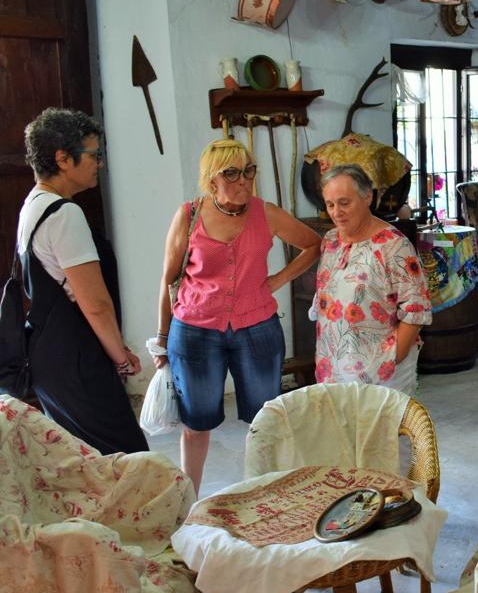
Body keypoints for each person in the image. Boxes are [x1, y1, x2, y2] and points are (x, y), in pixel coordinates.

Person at [154, 139, 321, 494]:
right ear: (211, 180)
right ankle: (189, 498)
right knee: (196, 422)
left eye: (249, 171)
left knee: (263, 420)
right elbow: (168, 280)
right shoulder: (189, 215)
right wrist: (162, 339)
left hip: (257, 329)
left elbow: (312, 243)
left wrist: (277, 279)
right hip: (195, 330)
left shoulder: (266, 213)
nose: (244, 180)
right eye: (231, 173)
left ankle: (262, 495)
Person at [18, 107, 147, 454]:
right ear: (63, 158)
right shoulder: (64, 214)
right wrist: (119, 356)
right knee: (128, 462)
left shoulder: (33, 205)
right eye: (94, 154)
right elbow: (95, 304)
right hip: (76, 358)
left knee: (85, 462)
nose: (100, 163)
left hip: (50, 356)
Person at [311, 164, 431, 394]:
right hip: (332, 370)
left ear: (368, 196)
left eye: (345, 203)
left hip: (382, 374)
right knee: (337, 430)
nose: (337, 212)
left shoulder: (393, 246)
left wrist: (390, 361)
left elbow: (416, 311)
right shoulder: (331, 241)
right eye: (330, 204)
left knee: (383, 430)